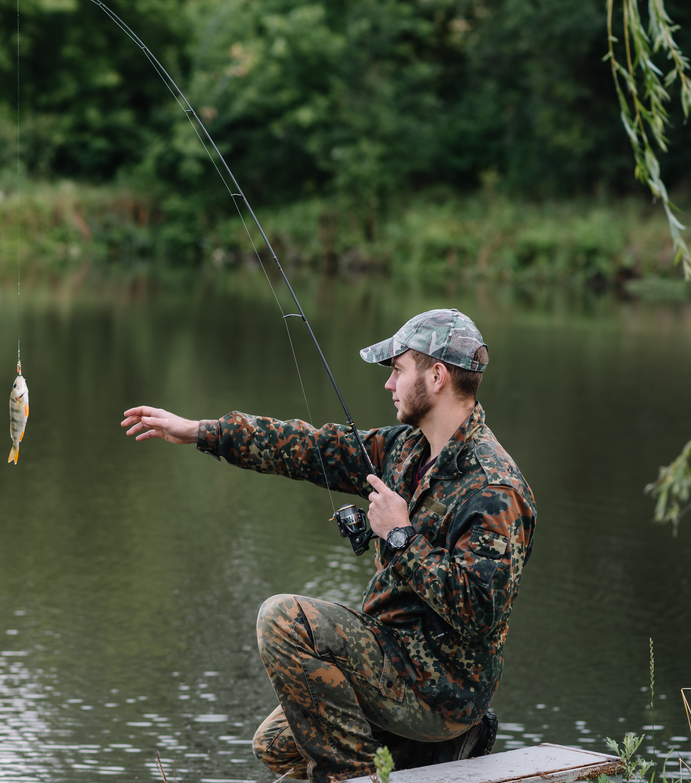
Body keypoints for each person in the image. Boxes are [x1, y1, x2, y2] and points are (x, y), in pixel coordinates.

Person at [121, 309, 536, 783]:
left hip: (442, 691)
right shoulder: (408, 448)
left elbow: (480, 613)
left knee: (282, 621)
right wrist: (202, 432)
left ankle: (366, 774)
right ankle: (417, 759)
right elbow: (310, 447)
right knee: (274, 745)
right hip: (394, 659)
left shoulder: (495, 489)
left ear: (437, 376)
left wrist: (401, 538)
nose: (388, 384)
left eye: (398, 370)